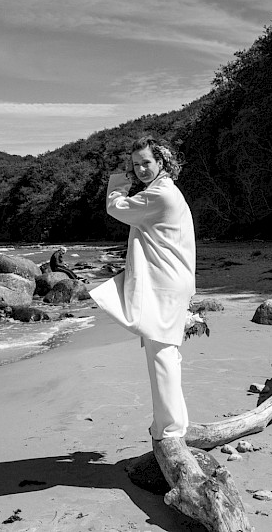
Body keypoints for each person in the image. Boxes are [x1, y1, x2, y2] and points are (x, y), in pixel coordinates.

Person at [89, 136, 196, 441]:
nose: (141, 170)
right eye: (135, 165)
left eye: (146, 162)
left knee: (161, 354)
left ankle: (169, 430)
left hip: (164, 283)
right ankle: (176, 424)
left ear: (161, 162)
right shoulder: (166, 191)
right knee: (166, 353)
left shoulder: (159, 195)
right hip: (170, 280)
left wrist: (120, 181)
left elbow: (116, 208)